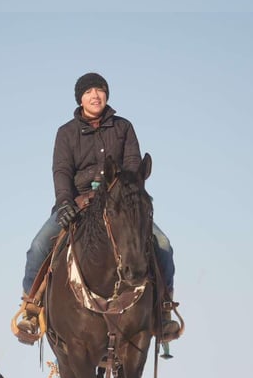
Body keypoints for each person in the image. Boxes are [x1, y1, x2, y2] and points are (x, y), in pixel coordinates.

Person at [14, 72, 177, 344]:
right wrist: (64, 202)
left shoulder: (123, 127)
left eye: (100, 90)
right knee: (39, 245)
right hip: (78, 202)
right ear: (80, 98)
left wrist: (127, 198)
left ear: (107, 95)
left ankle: (164, 309)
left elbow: (133, 166)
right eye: (89, 92)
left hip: (119, 204)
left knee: (163, 243)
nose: (95, 96)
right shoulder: (66, 132)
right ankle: (32, 309)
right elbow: (62, 170)